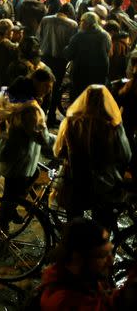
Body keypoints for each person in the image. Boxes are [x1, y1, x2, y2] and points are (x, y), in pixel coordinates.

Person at [53, 85, 131, 230]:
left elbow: (58, 151)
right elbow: (125, 155)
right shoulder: (113, 126)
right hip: (103, 183)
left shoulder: (71, 123)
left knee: (74, 224)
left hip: (74, 180)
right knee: (102, 225)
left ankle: (74, 248)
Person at [0, 76, 52, 226]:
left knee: (20, 184)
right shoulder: (28, 109)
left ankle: (11, 210)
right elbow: (41, 137)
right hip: (18, 160)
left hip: (7, 153)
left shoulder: (7, 98)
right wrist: (59, 141)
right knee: (12, 195)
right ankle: (2, 229)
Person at [37, 217, 137, 310]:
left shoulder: (87, 277)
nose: (111, 260)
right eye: (102, 256)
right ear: (78, 259)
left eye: (110, 252)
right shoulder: (63, 302)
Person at [38, 3, 78, 126]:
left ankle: (40, 117)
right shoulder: (72, 24)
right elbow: (71, 46)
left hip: (44, 58)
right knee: (55, 89)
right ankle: (51, 118)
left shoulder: (45, 20)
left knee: (42, 88)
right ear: (70, 13)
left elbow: (39, 37)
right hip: (60, 61)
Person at [64, 12, 111, 101]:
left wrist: (66, 48)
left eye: (81, 21)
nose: (80, 23)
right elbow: (108, 52)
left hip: (81, 76)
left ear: (86, 23)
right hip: (99, 75)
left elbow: (69, 55)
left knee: (79, 101)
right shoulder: (105, 35)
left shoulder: (79, 36)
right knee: (94, 101)